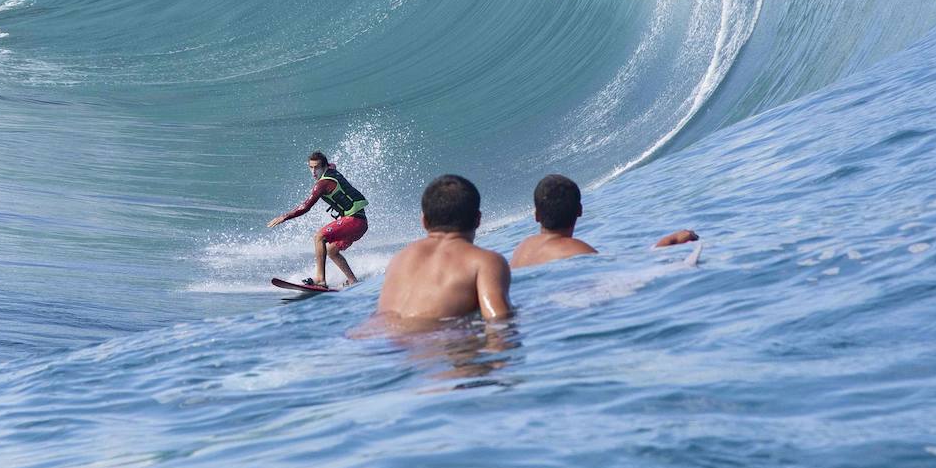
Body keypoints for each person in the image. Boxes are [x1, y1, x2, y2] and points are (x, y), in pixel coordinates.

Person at [374, 174, 512, 322]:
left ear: (424, 221)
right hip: (436, 338)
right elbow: (498, 321)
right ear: (478, 219)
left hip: (372, 337)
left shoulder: (399, 259)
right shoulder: (485, 262)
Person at [510, 173, 698, 269]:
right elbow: (622, 275)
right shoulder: (577, 251)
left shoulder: (521, 250)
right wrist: (663, 246)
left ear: (536, 215)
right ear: (580, 211)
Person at [267, 151, 369, 288]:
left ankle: (320, 279)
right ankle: (352, 281)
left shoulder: (322, 184)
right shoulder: (331, 170)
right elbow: (333, 165)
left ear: (324, 167)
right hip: (360, 223)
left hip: (354, 221)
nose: (314, 171)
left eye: (317, 167)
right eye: (311, 167)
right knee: (332, 251)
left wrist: (284, 216)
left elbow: (305, 207)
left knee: (319, 237)